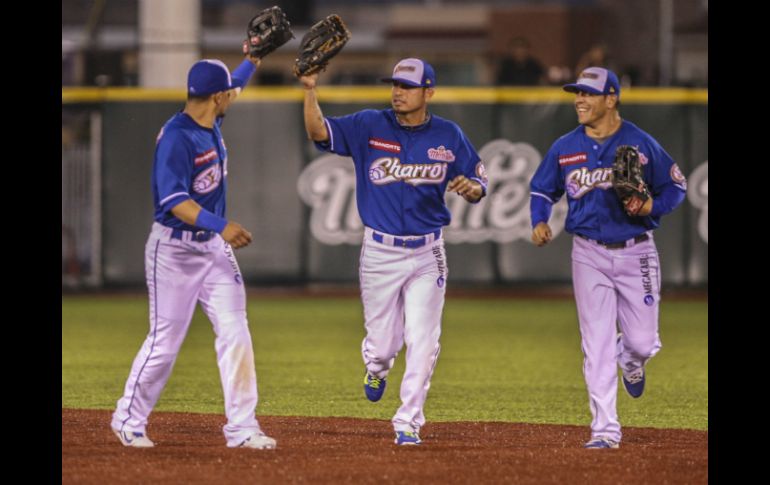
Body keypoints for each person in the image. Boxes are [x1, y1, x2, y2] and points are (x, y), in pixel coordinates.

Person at [299, 58, 488, 445]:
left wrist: (474, 188)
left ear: (428, 92)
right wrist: (309, 90)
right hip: (380, 252)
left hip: (427, 251)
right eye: (395, 85)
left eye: (407, 86)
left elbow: (480, 177)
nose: (398, 92)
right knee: (384, 346)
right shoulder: (370, 125)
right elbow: (319, 131)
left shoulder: (449, 135)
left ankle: (408, 421)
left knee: (424, 337)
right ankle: (376, 366)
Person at [110, 53, 277, 450]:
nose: (231, 97)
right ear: (217, 97)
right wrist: (223, 225)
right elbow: (174, 200)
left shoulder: (211, 117)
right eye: (227, 94)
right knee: (165, 342)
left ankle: (241, 428)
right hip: (174, 252)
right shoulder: (177, 137)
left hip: (214, 252)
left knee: (236, 332)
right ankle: (128, 419)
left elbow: (233, 83)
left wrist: (251, 59)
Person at [529, 67, 687, 449]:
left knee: (644, 343)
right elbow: (541, 190)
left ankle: (630, 361)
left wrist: (653, 203)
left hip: (637, 252)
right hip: (588, 254)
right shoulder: (566, 146)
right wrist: (539, 220)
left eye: (588, 93)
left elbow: (677, 185)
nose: (579, 100)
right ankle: (604, 430)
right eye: (576, 93)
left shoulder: (640, 142)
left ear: (611, 99)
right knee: (595, 343)